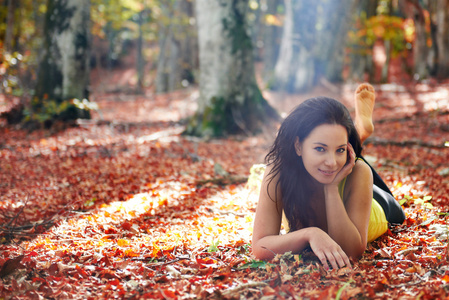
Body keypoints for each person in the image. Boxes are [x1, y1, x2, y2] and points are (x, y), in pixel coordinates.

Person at [251, 83, 405, 270]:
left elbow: (351, 252)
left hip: (376, 204)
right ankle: (355, 137)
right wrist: (311, 234)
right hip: (321, 171)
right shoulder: (278, 171)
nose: (331, 162)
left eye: (340, 149)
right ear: (298, 146)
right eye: (320, 148)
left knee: (392, 205)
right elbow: (260, 246)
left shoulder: (358, 172)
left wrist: (332, 188)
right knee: (338, 161)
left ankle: (356, 140)